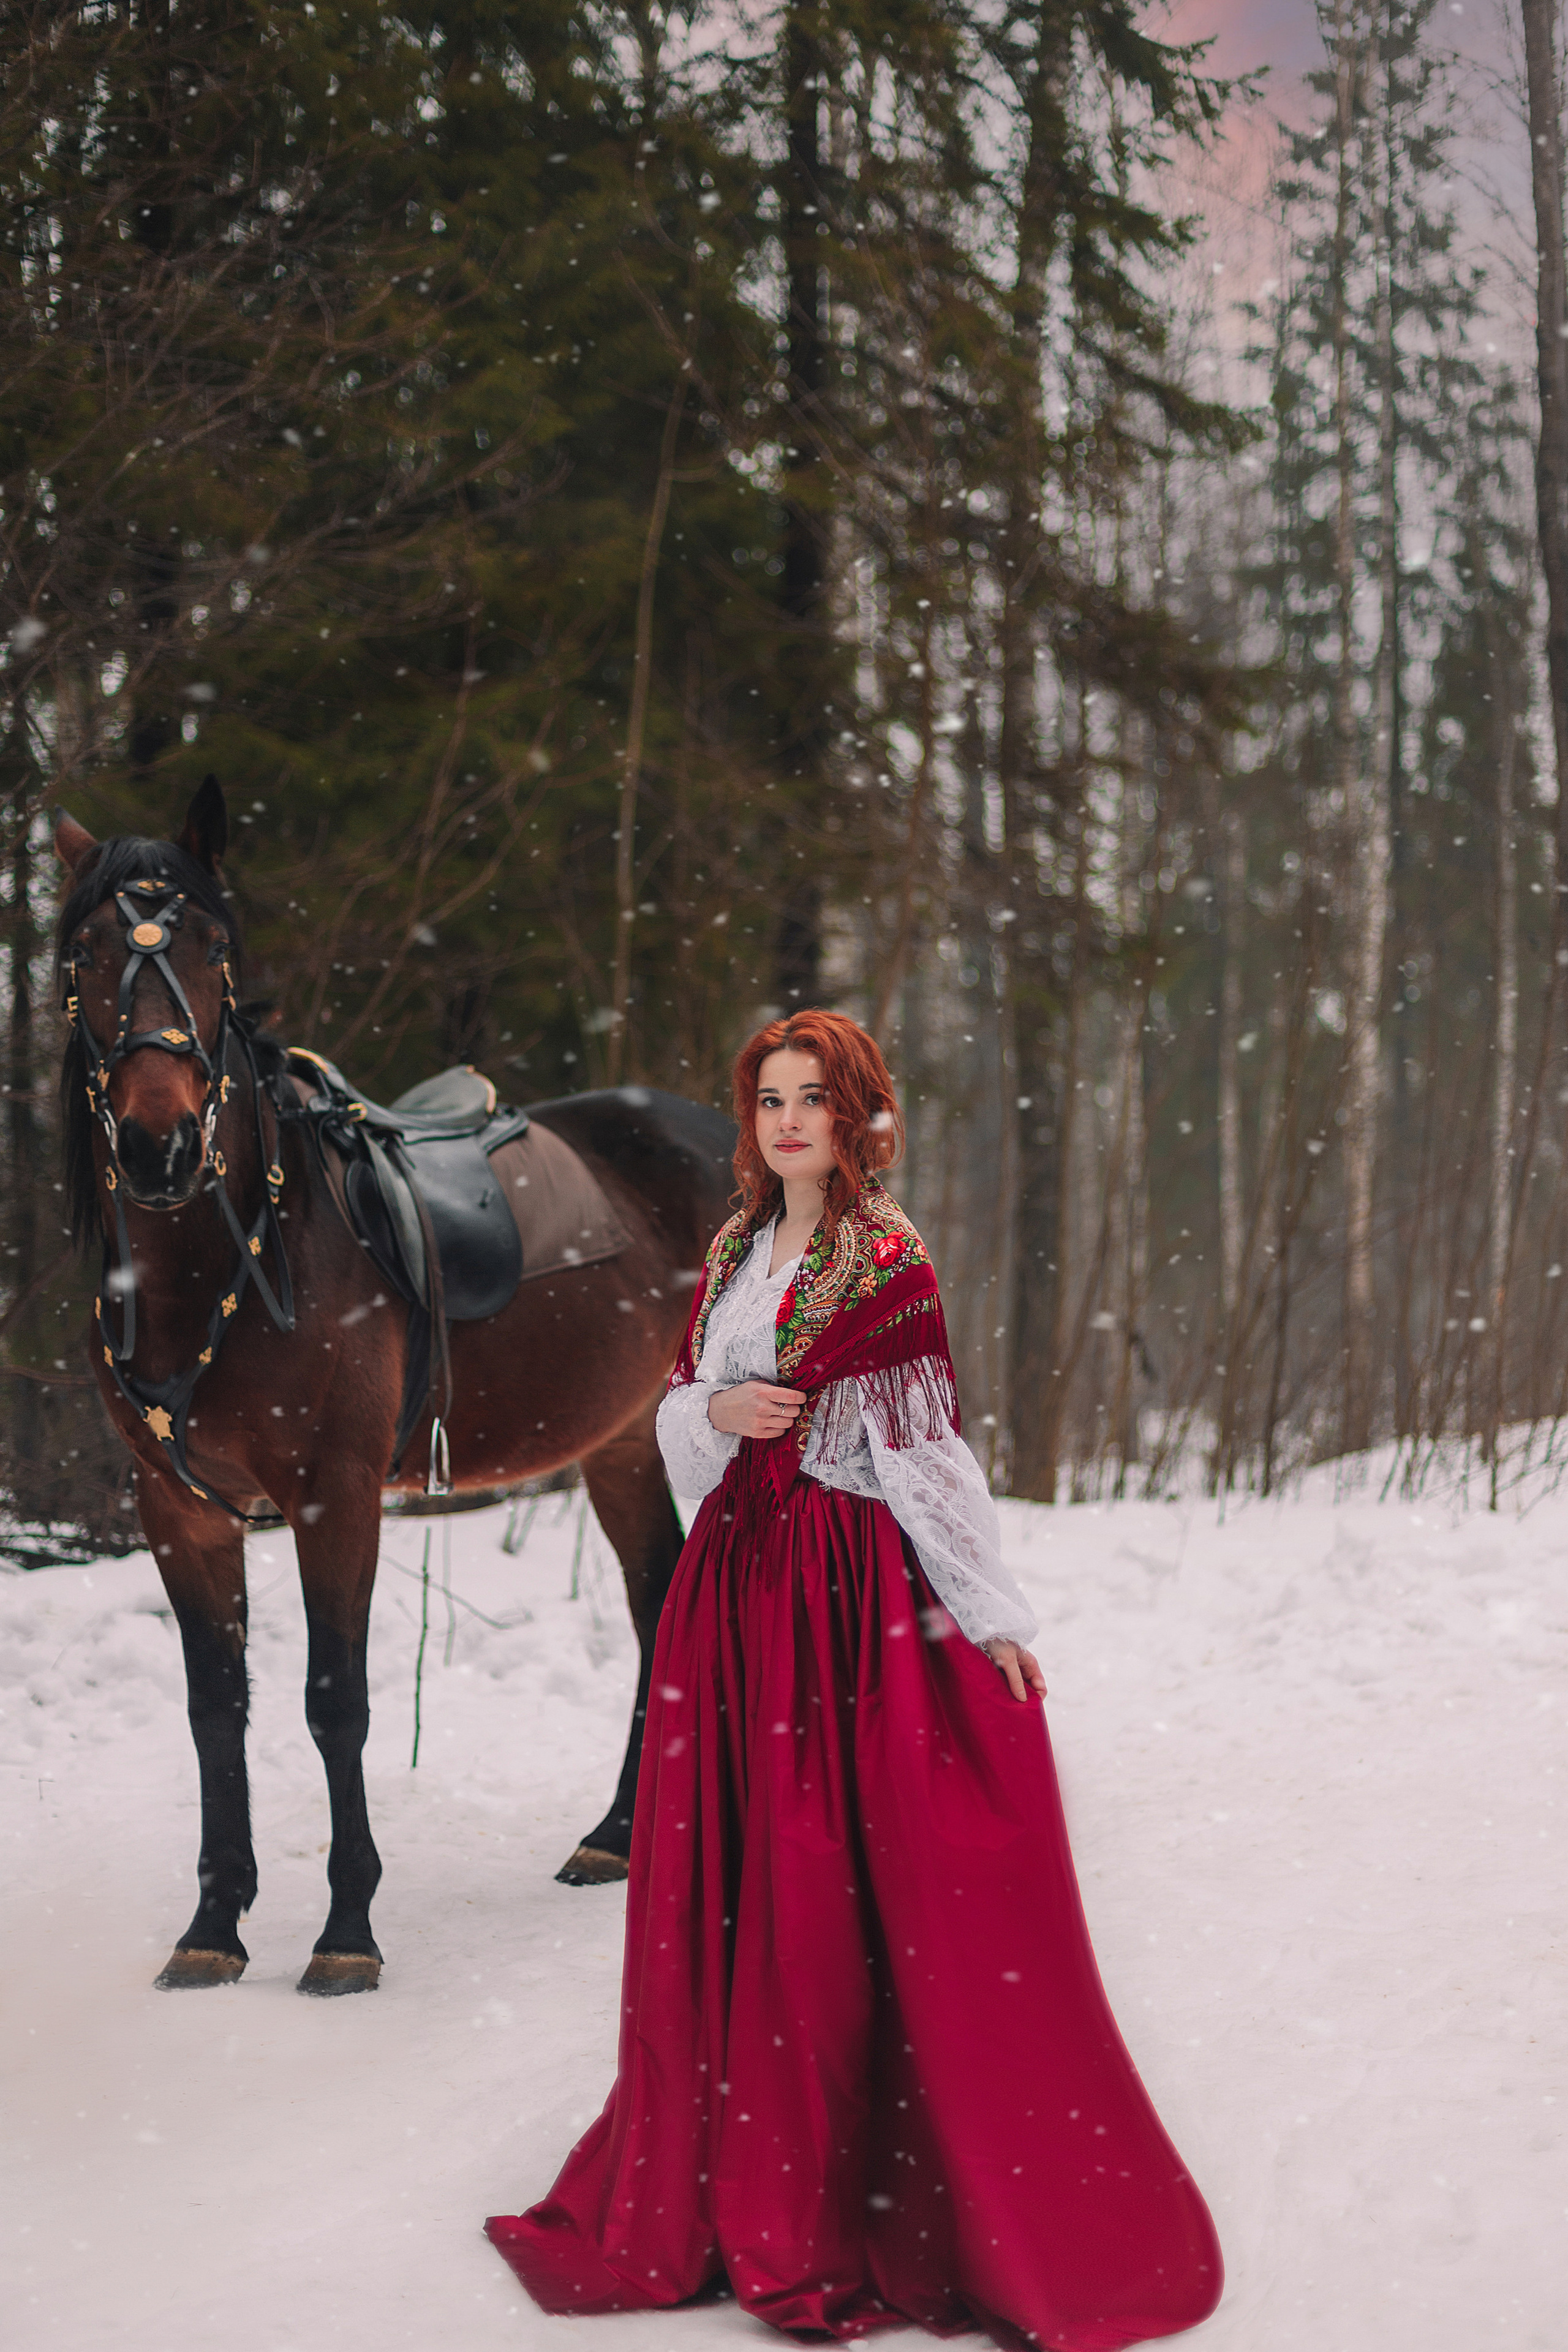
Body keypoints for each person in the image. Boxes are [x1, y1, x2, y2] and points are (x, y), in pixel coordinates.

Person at [485, 1011, 1222, 2350]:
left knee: (826, 1879)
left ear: (853, 1115)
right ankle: (727, 2155)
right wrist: (713, 1412)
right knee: (732, 1867)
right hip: (728, 1594)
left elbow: (925, 1450)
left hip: (835, 1592)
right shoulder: (726, 1252)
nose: (782, 1122)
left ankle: (839, 2180)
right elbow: (674, 1415)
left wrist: (986, 1613)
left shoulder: (883, 1254)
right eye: (765, 1098)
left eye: (809, 1100)